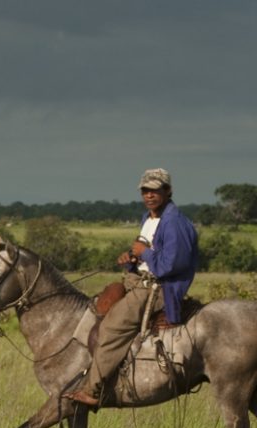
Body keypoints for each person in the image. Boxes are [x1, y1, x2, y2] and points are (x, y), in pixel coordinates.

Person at [65, 167, 199, 408]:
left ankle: (93, 389)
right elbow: (149, 255)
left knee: (111, 327)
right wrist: (131, 257)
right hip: (138, 280)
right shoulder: (148, 218)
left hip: (157, 288)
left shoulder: (174, 223)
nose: (149, 195)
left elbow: (171, 265)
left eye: (155, 190)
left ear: (168, 191)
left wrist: (143, 252)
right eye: (145, 191)